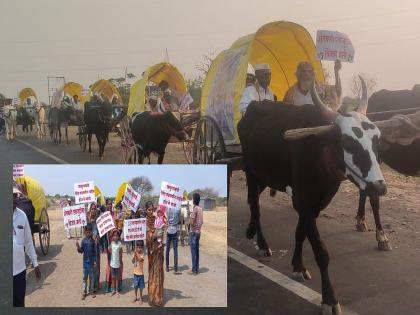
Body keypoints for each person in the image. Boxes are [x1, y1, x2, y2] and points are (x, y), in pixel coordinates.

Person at [13, 187, 41, 307]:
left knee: (19, 304)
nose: (14, 198)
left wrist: (35, 264)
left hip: (19, 271)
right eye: (11, 195)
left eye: (15, 195)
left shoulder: (22, 216)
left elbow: (28, 242)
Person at [146, 202, 164, 306]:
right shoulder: (144, 222)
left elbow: (162, 234)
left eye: (152, 210)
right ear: (146, 210)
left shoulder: (158, 219)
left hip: (159, 250)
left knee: (159, 272)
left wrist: (161, 229)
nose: (151, 211)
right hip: (151, 251)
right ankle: (152, 297)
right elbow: (149, 238)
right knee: (152, 272)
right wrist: (154, 233)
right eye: (149, 210)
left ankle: (158, 298)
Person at [76, 223, 97, 300]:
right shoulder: (83, 241)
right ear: (85, 232)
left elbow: (95, 252)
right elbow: (81, 251)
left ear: (91, 232)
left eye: (89, 232)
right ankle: (84, 292)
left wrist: (95, 261)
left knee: (92, 277)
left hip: (91, 263)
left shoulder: (93, 241)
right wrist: (78, 246)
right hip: (85, 263)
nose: (88, 233)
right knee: (84, 278)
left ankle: (91, 290)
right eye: (87, 232)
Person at [189, 193, 203, 275]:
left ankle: (194, 270)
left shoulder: (195, 209)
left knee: (193, 252)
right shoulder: (201, 208)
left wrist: (190, 217)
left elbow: (191, 222)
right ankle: (197, 269)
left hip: (194, 232)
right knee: (197, 251)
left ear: (194, 200)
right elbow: (201, 221)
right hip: (199, 232)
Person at [165, 203, 181, 274]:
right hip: (175, 230)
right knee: (175, 250)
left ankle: (167, 267)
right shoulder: (178, 208)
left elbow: (167, 219)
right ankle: (175, 268)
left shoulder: (168, 208)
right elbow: (180, 220)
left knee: (167, 249)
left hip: (168, 230)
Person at [107, 229, 123, 296]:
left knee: (117, 277)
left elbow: (120, 253)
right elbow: (110, 252)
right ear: (112, 237)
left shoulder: (120, 244)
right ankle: (113, 290)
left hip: (117, 264)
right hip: (112, 264)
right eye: (114, 236)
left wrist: (120, 262)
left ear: (118, 237)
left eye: (116, 236)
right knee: (113, 277)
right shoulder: (111, 244)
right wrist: (109, 248)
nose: (115, 237)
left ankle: (116, 290)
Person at [132, 240, 145, 304]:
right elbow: (132, 261)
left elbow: (140, 260)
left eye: (140, 247)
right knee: (135, 286)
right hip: (135, 273)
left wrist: (136, 254)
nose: (139, 249)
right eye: (138, 247)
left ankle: (141, 298)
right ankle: (135, 296)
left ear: (142, 248)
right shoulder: (135, 253)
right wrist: (134, 255)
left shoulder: (142, 254)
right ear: (136, 247)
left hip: (141, 274)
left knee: (141, 287)